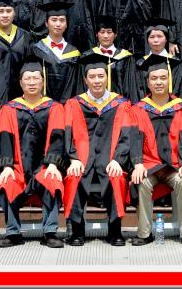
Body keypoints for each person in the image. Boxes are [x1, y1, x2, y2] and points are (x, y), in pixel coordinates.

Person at [0, 57, 68, 248]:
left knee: (53, 180)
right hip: (18, 168)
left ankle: (50, 232)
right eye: (27, 78)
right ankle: (13, 233)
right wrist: (7, 166)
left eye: (36, 78)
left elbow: (58, 136)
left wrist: (53, 163)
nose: (32, 82)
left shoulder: (55, 108)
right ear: (20, 83)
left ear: (43, 82)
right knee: (6, 182)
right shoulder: (9, 109)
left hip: (44, 166)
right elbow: (4, 137)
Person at [61, 52, 132, 247]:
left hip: (110, 159)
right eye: (92, 77)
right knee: (74, 177)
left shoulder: (121, 104)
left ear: (107, 77)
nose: (97, 80)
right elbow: (67, 134)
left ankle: (115, 230)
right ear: (85, 80)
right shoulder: (74, 104)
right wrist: (73, 158)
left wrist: (118, 160)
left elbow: (126, 135)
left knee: (117, 177)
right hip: (82, 159)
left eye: (101, 76)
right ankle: (77, 231)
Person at [128, 54, 182, 246]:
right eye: (154, 78)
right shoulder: (138, 109)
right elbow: (134, 139)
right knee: (142, 182)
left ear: (169, 80)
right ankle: (144, 233)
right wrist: (137, 163)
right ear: (148, 83)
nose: (159, 82)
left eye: (163, 78)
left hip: (174, 166)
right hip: (149, 165)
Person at [30, 1, 83, 102]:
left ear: (66, 24)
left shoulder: (74, 52)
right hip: (42, 104)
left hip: (68, 104)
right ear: (46, 23)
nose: (58, 24)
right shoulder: (36, 50)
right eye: (54, 20)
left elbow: (78, 85)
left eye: (62, 20)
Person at [87, 15, 142, 102]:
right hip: (93, 103)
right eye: (102, 32)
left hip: (118, 104)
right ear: (97, 34)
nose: (105, 36)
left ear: (115, 34)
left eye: (109, 32)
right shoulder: (88, 56)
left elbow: (130, 86)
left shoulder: (125, 57)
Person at [142, 18, 182, 100]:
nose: (156, 40)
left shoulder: (177, 64)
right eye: (152, 37)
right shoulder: (140, 63)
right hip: (147, 106)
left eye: (160, 36)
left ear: (166, 39)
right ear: (147, 40)